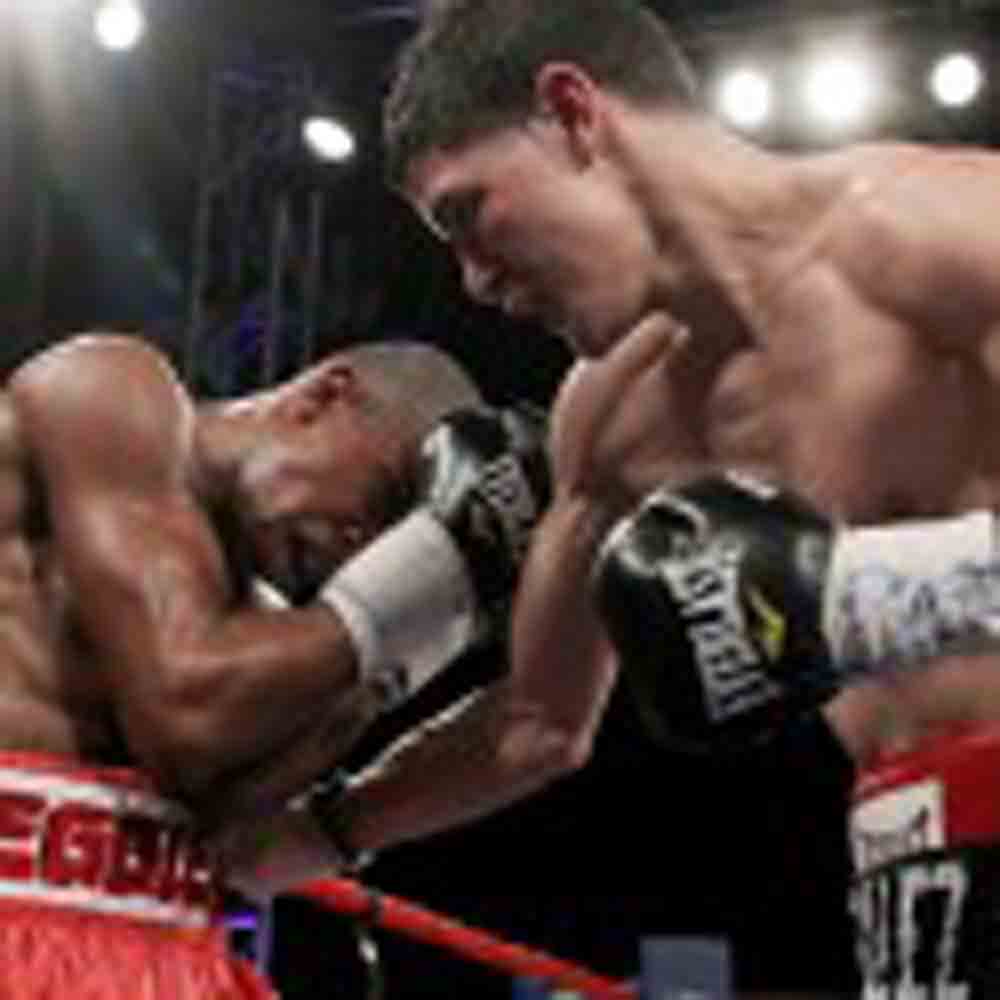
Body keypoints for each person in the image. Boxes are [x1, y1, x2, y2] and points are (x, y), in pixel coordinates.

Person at [222, 1, 1000, 995]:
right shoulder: (615, 418)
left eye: (466, 212)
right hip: (909, 860)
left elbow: (838, 602)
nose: (473, 282)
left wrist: (854, 591)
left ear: (572, 112)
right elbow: (535, 726)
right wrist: (311, 835)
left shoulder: (943, 234)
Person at [0, 328, 550, 997]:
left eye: (390, 548)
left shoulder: (271, 647)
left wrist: (429, 624)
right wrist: (437, 562)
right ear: (325, 397)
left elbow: (234, 828)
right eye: (380, 502)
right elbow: (184, 717)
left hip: (170, 954)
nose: (360, 550)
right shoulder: (113, 390)